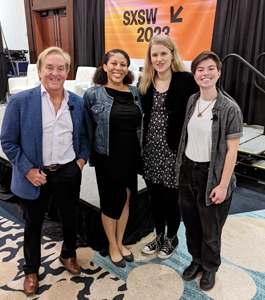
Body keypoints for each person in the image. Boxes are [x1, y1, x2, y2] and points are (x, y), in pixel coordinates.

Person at [0, 46, 89, 295]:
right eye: (49, 67)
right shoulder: (21, 101)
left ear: (67, 72)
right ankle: (31, 270)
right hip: (34, 176)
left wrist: (80, 162)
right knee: (33, 225)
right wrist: (28, 170)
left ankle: (68, 255)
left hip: (67, 171)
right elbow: (8, 141)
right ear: (39, 71)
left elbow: (83, 136)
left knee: (70, 218)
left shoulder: (77, 102)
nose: (55, 73)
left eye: (60, 68)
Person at [175, 50, 243, 291]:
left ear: (219, 73)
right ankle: (196, 260)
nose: (205, 73)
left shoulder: (229, 108)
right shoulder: (192, 101)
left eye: (210, 68)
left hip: (212, 175)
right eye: (200, 69)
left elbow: (232, 152)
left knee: (211, 228)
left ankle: (210, 268)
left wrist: (223, 185)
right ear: (194, 75)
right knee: (192, 223)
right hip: (187, 171)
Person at [139, 34, 199, 259]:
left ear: (172, 54)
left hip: (173, 150)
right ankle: (159, 236)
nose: (159, 58)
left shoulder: (186, 80)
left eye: (163, 53)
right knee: (154, 197)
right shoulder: (144, 82)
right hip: (150, 149)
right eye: (154, 54)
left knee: (169, 198)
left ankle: (172, 237)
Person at [84, 49, 142, 267]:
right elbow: (88, 128)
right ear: (105, 66)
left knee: (126, 198)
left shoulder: (135, 92)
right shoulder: (93, 94)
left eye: (123, 64)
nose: (119, 68)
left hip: (131, 154)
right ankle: (112, 245)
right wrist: (90, 157)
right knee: (110, 203)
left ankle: (120, 241)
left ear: (127, 68)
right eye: (114, 63)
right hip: (107, 156)